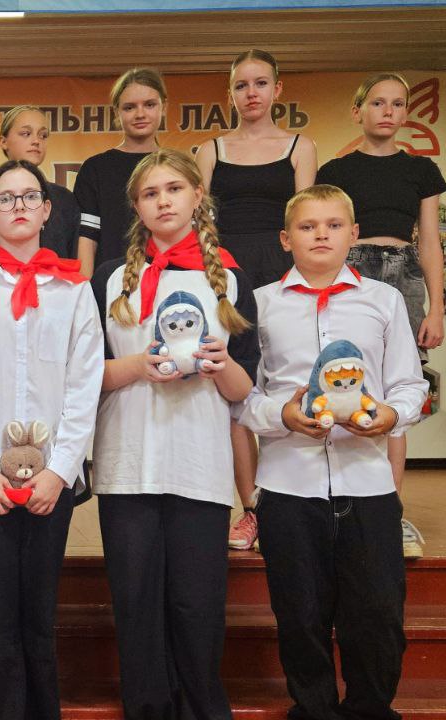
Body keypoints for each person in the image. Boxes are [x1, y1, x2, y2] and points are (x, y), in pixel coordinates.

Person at [237, 184, 427, 720]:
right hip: (288, 486)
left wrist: (390, 415)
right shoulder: (261, 304)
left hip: (367, 484)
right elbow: (242, 397)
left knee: (378, 614)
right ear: (285, 239)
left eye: (334, 225)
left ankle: (371, 708)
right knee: (300, 616)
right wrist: (282, 416)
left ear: (354, 234)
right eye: (307, 226)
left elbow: (409, 384)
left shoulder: (383, 300)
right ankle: (314, 709)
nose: (321, 234)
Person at [91, 149, 259, 720]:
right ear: (136, 207)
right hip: (127, 463)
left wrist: (220, 364)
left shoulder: (229, 279)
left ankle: (203, 708)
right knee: (136, 603)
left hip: (199, 462)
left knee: (196, 605)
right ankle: (147, 708)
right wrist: (138, 366)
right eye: (150, 193)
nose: (163, 201)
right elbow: (85, 376)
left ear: (197, 196)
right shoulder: (110, 279)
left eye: (174, 189)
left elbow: (245, 388)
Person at [0, 159, 102, 719]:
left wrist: (61, 471)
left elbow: (85, 385)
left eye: (29, 196)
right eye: (5, 199)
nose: (18, 207)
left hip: (50, 483)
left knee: (37, 616)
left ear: (47, 209)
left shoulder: (75, 292)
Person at [317, 72, 446, 558]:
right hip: (349, 270)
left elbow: (429, 241)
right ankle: (333, 502)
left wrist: (437, 307)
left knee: (395, 389)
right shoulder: (336, 169)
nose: (388, 111)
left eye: (397, 103)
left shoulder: (421, 170)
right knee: (341, 378)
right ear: (358, 112)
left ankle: (389, 509)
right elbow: (325, 229)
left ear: (406, 113)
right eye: (377, 103)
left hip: (404, 274)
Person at [195, 49, 318, 552]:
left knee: (284, 381)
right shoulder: (209, 150)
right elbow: (200, 222)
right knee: (236, 393)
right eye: (242, 85)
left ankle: (291, 503)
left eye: (260, 83)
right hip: (227, 275)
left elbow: (306, 216)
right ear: (230, 94)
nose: (251, 93)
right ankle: (251, 509)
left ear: (277, 90)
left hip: (283, 272)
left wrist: (300, 277)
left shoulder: (300, 146)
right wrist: (212, 278)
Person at [75, 68, 168, 277]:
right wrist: (86, 289)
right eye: (129, 107)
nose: (140, 114)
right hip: (111, 282)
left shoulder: (177, 167)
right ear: (117, 112)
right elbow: (87, 238)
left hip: (168, 280)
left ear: (164, 107)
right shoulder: (96, 168)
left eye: (149, 104)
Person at [0, 106, 80, 267]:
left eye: (43, 135)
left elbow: (73, 260)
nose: (36, 141)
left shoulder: (64, 199)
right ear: (3, 141)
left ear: (46, 208)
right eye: (26, 133)